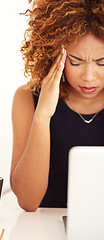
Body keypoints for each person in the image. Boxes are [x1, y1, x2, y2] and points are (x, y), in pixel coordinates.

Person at [10, 0, 104, 212]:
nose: (89, 77)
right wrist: (43, 115)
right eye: (76, 61)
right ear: (54, 55)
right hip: (45, 227)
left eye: (102, 63)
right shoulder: (27, 98)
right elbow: (27, 201)